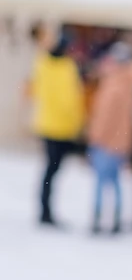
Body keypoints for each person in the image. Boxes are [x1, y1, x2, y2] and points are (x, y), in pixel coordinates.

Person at [28, 27, 86, 227]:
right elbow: (70, 100)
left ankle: (45, 209)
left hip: (47, 124)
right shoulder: (67, 67)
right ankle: (46, 211)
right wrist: (78, 124)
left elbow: (38, 91)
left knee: (50, 171)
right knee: (52, 171)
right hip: (62, 128)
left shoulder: (42, 63)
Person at [86, 42, 132, 234]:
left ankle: (97, 219)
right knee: (115, 182)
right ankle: (116, 219)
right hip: (121, 143)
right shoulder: (130, 84)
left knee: (101, 182)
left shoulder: (113, 84)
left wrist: (94, 137)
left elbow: (104, 117)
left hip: (106, 143)